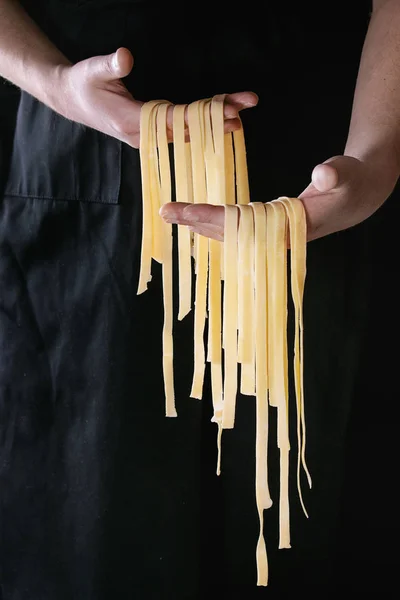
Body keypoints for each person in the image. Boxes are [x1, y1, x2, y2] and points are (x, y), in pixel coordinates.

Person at [0, 1, 398, 599]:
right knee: (87, 531)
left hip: (321, 176)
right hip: (80, 169)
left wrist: (377, 154)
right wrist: (52, 81)